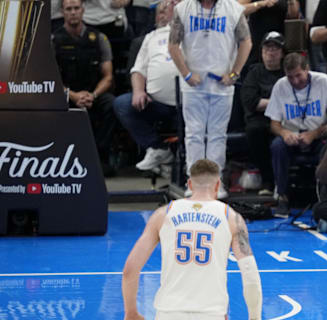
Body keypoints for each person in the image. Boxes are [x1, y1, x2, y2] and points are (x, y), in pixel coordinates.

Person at [122, 159, 263, 320]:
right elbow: (249, 273)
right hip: (210, 318)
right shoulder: (231, 217)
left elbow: (130, 270)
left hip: (169, 317)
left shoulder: (163, 214)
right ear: (218, 185)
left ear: (188, 184)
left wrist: (131, 310)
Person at [169, 0, 253, 199]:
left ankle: (216, 184)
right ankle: (194, 183)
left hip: (221, 83)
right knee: (194, 135)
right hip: (193, 84)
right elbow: (173, 45)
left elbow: (246, 42)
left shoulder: (233, 8)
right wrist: (187, 74)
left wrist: (234, 74)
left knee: (217, 136)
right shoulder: (183, 8)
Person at [265, 52, 327, 217]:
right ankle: (282, 197)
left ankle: (324, 196)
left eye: (298, 75)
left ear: (307, 69)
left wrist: (313, 134)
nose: (295, 81)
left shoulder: (326, 83)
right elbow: (274, 124)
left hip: (319, 136)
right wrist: (285, 133)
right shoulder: (280, 86)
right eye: (290, 77)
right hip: (292, 137)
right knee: (277, 146)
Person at [52, 0, 116, 177]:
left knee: (112, 104)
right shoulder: (53, 40)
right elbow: (50, 78)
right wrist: (72, 95)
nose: (73, 12)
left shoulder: (99, 38)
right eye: (69, 9)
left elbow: (108, 76)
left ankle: (99, 157)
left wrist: (93, 95)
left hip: (93, 93)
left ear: (83, 10)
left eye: (76, 8)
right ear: (62, 12)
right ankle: (61, 159)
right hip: (65, 94)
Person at [113, 0, 179, 172]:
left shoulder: (193, 32)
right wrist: (138, 91)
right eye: (161, 11)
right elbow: (137, 70)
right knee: (122, 104)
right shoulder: (150, 38)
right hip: (157, 103)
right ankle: (158, 149)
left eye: (169, 6)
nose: (165, 11)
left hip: (189, 102)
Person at [239, 31, 287, 194]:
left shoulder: (288, 71)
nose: (271, 53)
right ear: (261, 52)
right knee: (255, 131)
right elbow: (250, 101)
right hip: (260, 120)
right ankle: (267, 180)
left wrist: (267, 103)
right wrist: (279, 102)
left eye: (275, 49)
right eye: (267, 49)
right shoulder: (254, 72)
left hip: (286, 119)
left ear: (281, 52)